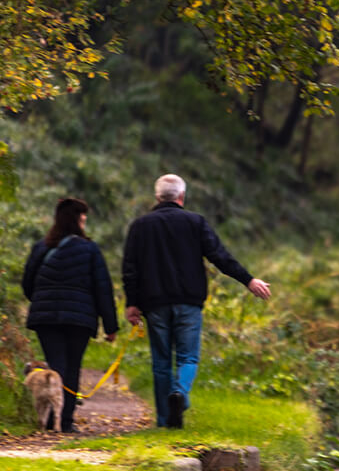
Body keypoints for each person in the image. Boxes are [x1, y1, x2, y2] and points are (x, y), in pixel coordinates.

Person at [122, 174, 271, 428]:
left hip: (154, 303)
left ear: (157, 197)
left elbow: (130, 268)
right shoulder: (195, 222)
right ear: (182, 196)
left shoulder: (140, 226)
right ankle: (179, 392)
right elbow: (220, 256)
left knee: (161, 362)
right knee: (188, 358)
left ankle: (164, 421)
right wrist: (248, 280)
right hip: (189, 302)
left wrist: (132, 303)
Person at [21, 198, 118, 433]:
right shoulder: (90, 249)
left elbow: (27, 284)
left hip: (47, 318)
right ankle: (64, 421)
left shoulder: (41, 247)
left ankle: (51, 417)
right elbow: (102, 288)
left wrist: (43, 300)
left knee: (56, 364)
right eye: (83, 217)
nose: (85, 222)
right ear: (77, 220)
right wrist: (110, 325)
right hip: (80, 318)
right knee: (72, 367)